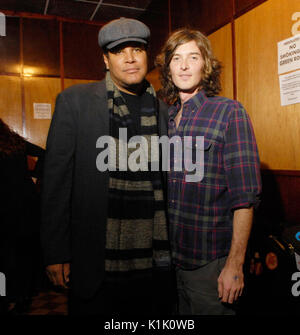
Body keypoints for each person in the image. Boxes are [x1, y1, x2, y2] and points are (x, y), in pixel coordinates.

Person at [41, 18, 173, 316]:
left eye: (137, 49)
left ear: (146, 55)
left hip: (152, 260)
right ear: (105, 58)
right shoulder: (75, 102)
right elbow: (55, 184)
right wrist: (55, 252)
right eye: (118, 51)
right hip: (94, 259)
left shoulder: (163, 110)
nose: (129, 58)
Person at [156, 28, 262, 315]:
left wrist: (235, 264)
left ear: (206, 65)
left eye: (193, 57)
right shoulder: (163, 119)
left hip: (210, 265)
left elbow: (245, 198)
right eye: (176, 58)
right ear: (168, 67)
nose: (184, 65)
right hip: (168, 263)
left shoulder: (229, 112)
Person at [0, 119, 42, 314]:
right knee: (24, 254)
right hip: (27, 203)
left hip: (5, 206)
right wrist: (34, 178)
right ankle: (23, 298)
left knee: (5, 258)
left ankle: (5, 297)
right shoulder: (15, 141)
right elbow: (45, 153)